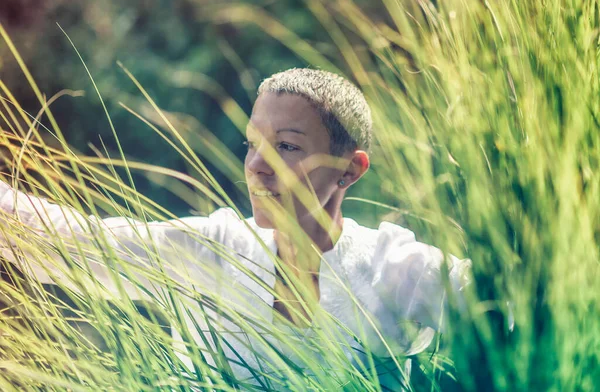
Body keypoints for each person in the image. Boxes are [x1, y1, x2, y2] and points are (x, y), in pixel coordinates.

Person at [0, 68, 471, 389]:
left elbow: (508, 307)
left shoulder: (395, 266)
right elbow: (72, 243)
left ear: (350, 169)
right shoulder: (215, 246)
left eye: (286, 146)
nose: (256, 167)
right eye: (252, 144)